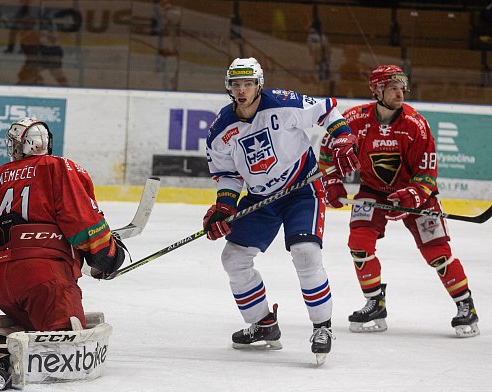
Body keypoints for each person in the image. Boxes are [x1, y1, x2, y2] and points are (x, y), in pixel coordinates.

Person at [204, 57, 359, 364]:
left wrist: (343, 137)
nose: (242, 90)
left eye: (248, 83)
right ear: (229, 87)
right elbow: (228, 175)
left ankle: (322, 327)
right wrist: (224, 206)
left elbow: (326, 110)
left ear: (258, 84)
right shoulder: (221, 129)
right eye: (236, 84)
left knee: (305, 252)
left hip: (302, 189)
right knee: (233, 259)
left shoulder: (282, 103)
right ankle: (263, 324)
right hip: (260, 196)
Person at [319, 64, 479, 338]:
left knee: (437, 252)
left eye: (401, 87)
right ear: (377, 90)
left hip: (416, 194)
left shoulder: (416, 124)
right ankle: (375, 302)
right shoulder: (354, 120)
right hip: (373, 191)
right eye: (392, 88)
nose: (399, 92)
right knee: (359, 244)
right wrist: (332, 183)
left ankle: (466, 305)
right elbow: (327, 151)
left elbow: (427, 173)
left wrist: (411, 196)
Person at [0, 117, 126, 333]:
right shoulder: (57, 167)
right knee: (62, 345)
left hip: (3, 285)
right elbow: (81, 220)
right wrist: (107, 254)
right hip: (46, 279)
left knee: (36, 331)